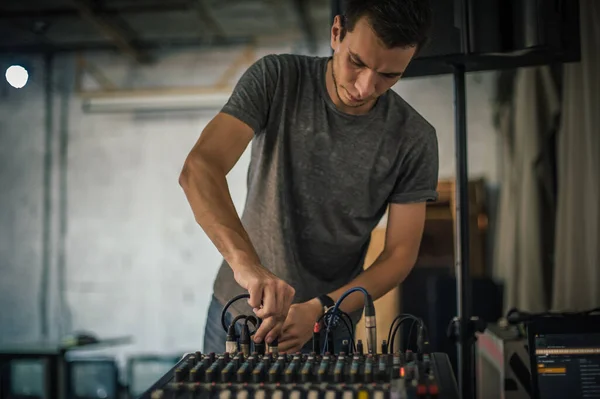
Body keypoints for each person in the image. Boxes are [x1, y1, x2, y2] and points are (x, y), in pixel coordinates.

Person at [179, 0, 439, 355]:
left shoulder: (414, 138)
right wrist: (249, 267)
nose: (365, 87)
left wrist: (321, 308)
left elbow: (399, 254)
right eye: (357, 62)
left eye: (389, 75)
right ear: (336, 33)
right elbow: (200, 168)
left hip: (329, 324)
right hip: (237, 314)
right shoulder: (277, 79)